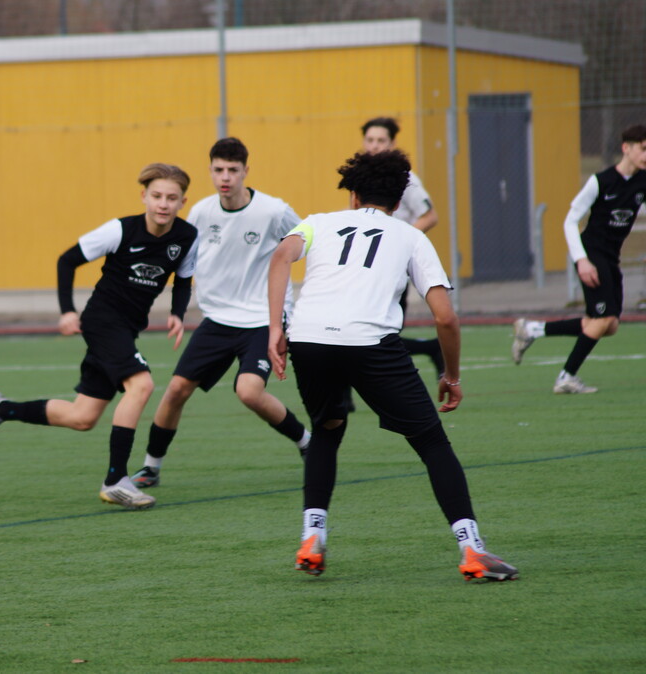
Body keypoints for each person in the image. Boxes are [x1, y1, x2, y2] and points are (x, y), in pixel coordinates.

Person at [266, 149, 518, 582]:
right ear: (399, 202)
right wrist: (451, 376)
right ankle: (473, 550)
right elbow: (445, 318)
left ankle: (312, 536)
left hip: (309, 339)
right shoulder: (410, 236)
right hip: (370, 343)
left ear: (353, 195)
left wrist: (276, 327)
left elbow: (280, 258)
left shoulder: (318, 222)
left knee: (327, 429)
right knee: (432, 443)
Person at [0, 163, 198, 510]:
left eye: (171, 198)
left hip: (126, 328)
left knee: (83, 417)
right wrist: (67, 310)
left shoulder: (187, 236)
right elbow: (67, 260)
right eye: (156, 196)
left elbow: (183, 279)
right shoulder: (120, 230)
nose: (163, 204)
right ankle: (116, 481)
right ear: (144, 196)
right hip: (103, 321)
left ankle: (2, 409)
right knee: (142, 385)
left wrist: (178, 314)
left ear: (182, 201)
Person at [127, 138, 310, 489]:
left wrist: (292, 310)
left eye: (233, 170)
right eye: (218, 170)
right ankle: (151, 467)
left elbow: (306, 244)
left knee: (249, 392)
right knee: (176, 389)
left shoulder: (273, 211)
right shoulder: (201, 212)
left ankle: (307, 443)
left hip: (261, 319)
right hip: (218, 320)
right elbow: (184, 261)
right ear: (210, 171)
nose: (225, 177)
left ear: (245, 171)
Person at [512, 123, 646, 393]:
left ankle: (532, 330)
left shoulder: (643, 181)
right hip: (591, 253)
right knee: (602, 320)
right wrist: (581, 260)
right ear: (626, 148)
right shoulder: (601, 181)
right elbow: (570, 220)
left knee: (610, 325)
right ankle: (566, 377)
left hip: (611, 256)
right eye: (643, 149)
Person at [360, 117, 445, 377]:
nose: (374, 145)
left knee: (377, 334)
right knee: (362, 330)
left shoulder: (404, 178)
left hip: (391, 267)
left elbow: (430, 216)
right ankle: (430, 348)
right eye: (370, 140)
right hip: (365, 265)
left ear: (392, 143)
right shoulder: (362, 176)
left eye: (381, 140)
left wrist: (397, 242)